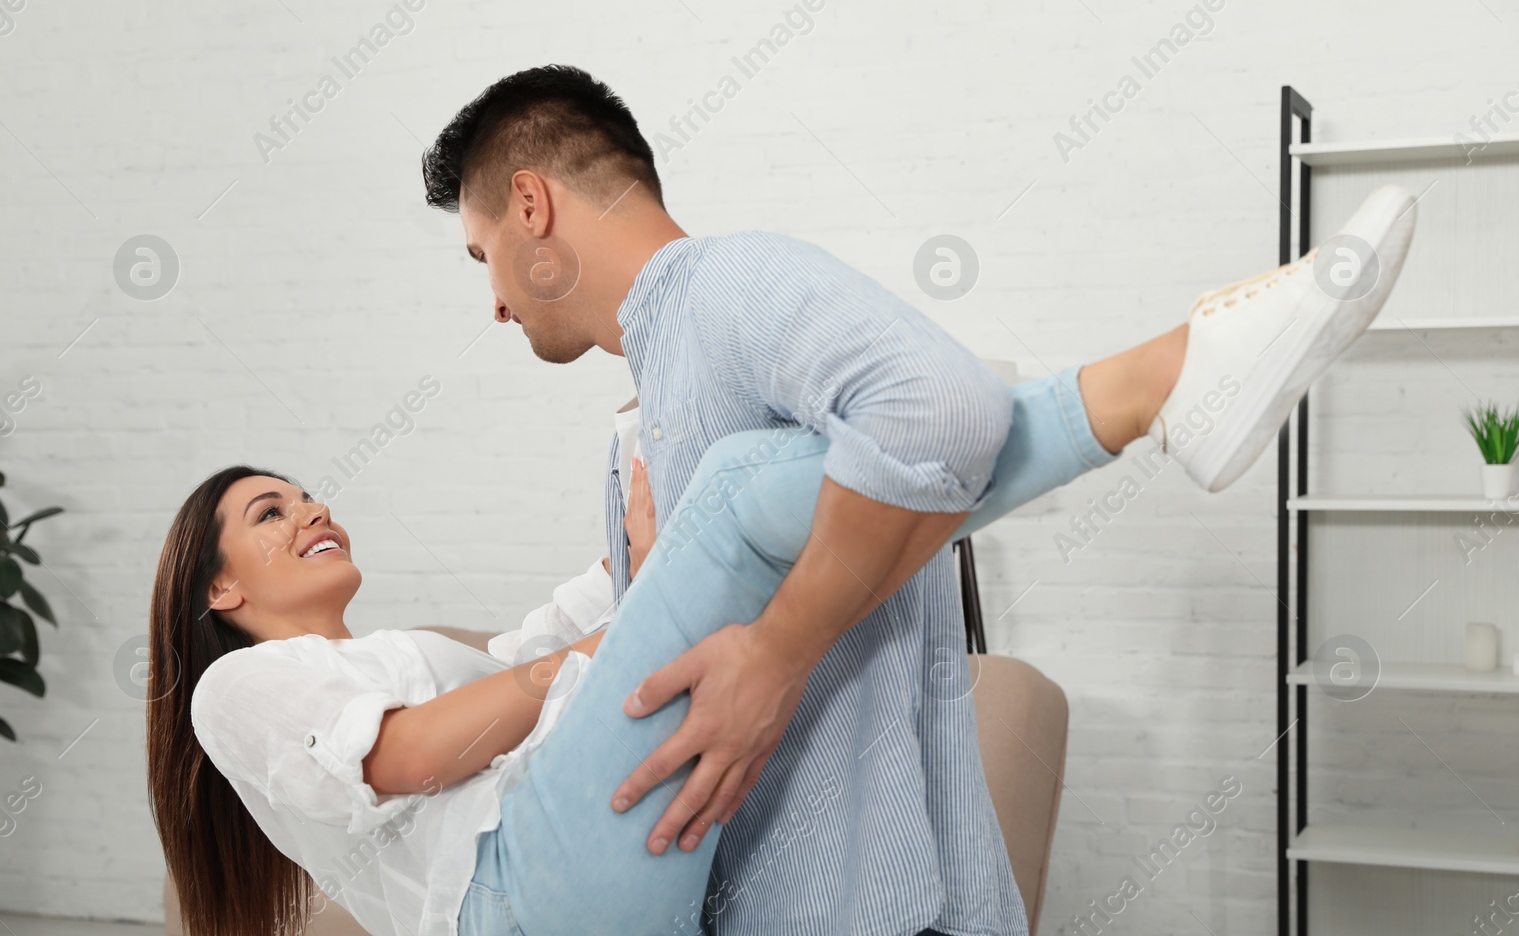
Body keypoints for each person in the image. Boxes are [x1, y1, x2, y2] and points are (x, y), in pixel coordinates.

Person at [413, 63, 1417, 935]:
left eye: (481, 254)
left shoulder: (718, 287)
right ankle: (1165, 383)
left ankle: (1169, 375)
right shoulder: (654, 395)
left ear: (532, 206)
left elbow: (941, 405)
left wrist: (778, 652)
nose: (493, 299)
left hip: (859, 905)